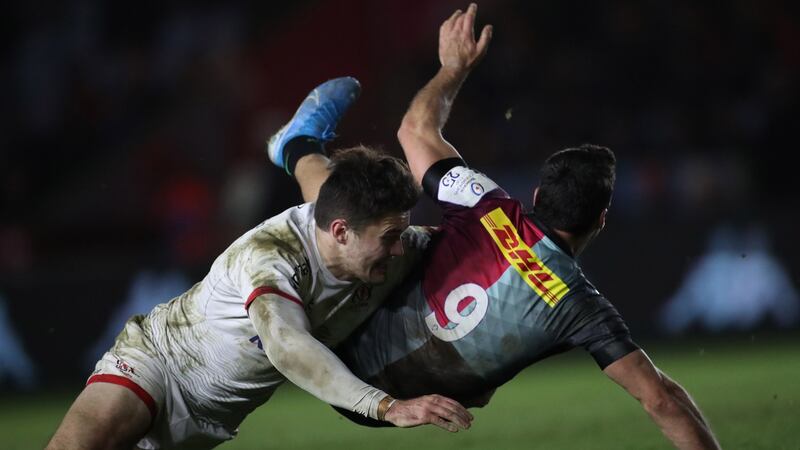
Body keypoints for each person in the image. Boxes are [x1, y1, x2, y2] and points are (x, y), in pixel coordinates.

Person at [277, 4, 721, 449]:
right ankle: (296, 143)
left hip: (346, 344)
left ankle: (298, 146)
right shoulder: (581, 307)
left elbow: (414, 129)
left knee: (359, 216)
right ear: (601, 220)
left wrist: (452, 69)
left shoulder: (488, 206)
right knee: (377, 225)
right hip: (388, 403)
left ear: (537, 198)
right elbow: (660, 401)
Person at [47, 77, 473, 450]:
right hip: (157, 366)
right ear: (343, 232)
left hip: (209, 424)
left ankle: (297, 143)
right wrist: (387, 407)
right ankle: (298, 144)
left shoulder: (358, 231)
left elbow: (455, 241)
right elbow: (288, 346)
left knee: (326, 193)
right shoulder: (270, 256)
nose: (401, 249)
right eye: (391, 238)